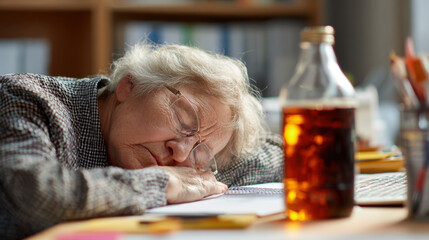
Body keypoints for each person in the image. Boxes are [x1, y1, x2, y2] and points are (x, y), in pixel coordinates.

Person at [0, 42, 284, 239]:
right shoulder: (25, 97)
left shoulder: (189, 167)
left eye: (202, 150)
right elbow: (35, 195)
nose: (180, 151)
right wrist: (160, 183)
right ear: (129, 86)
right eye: (184, 119)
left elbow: (276, 155)